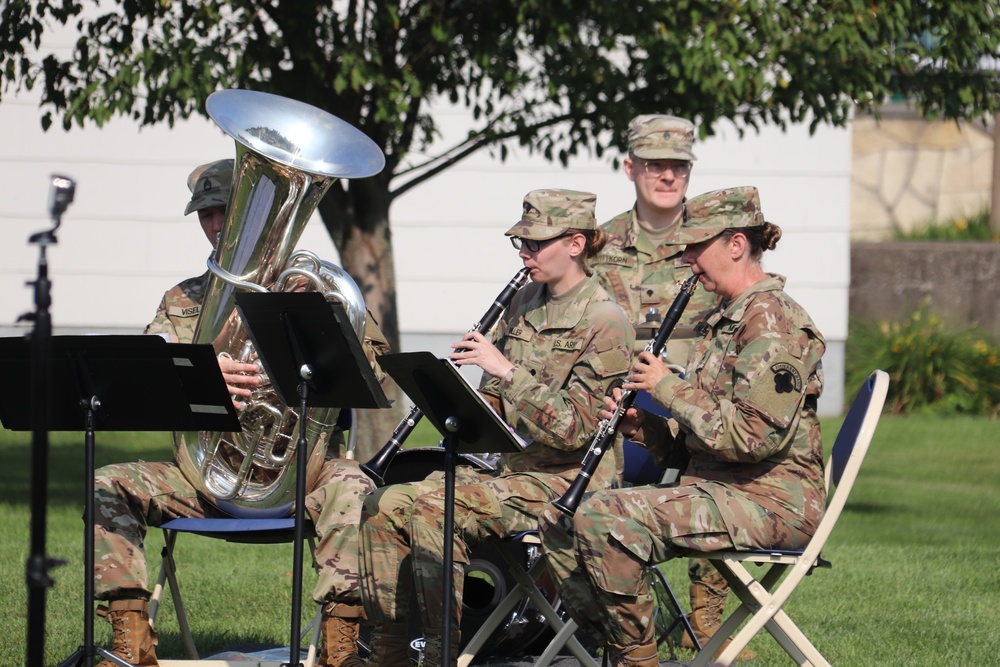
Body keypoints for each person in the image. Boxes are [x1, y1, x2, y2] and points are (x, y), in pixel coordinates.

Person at [92, 160, 390, 667]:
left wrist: (313, 342)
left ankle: (340, 649)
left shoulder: (310, 290)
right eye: (205, 214)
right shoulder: (182, 300)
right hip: (205, 478)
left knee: (356, 489)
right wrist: (202, 377)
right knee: (106, 483)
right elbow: (140, 380)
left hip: (303, 476)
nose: (213, 226)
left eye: (225, 212)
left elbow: (376, 376)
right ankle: (131, 642)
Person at [538, 186, 827, 667]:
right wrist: (642, 425)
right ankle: (622, 647)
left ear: (736, 245)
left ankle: (635, 658)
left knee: (608, 516)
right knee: (562, 518)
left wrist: (667, 386)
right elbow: (701, 446)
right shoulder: (727, 319)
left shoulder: (775, 325)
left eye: (697, 247)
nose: (689, 261)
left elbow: (751, 439)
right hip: (724, 488)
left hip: (773, 500)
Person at [357, 189, 634, 667]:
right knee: (384, 502)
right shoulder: (525, 300)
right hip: (509, 473)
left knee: (433, 508)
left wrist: (507, 371)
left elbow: (577, 430)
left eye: (534, 243)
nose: (523, 253)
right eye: (520, 244)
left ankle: (440, 656)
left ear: (575, 243)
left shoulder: (606, 321)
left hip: (568, 482)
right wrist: (450, 399)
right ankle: (388, 651)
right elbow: (493, 405)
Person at [589, 114, 743, 659]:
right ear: (630, 167)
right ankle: (592, 611)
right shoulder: (600, 245)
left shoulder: (715, 245)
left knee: (713, 464)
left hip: (694, 403)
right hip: (620, 406)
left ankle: (708, 622)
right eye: (656, 164)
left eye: (678, 165)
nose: (668, 175)